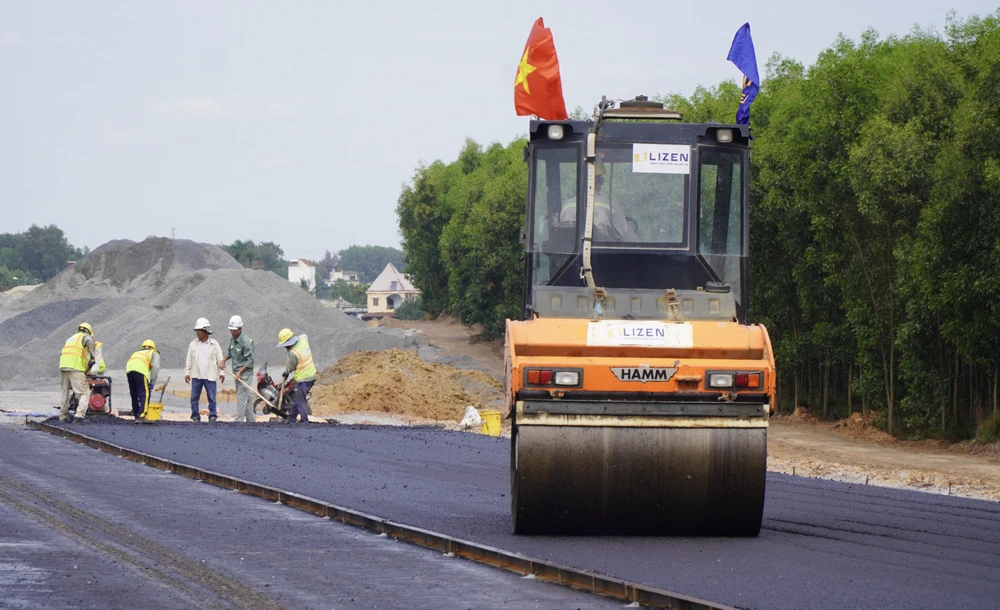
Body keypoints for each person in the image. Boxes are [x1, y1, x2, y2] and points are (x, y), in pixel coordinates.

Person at [559, 158, 637, 241]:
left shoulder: (567, 205)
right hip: (601, 253)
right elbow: (629, 238)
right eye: (601, 179)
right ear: (600, 181)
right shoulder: (611, 207)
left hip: (573, 253)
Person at [184, 317, 225, 422]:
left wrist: (222, 372)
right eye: (197, 331)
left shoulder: (214, 344)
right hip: (196, 375)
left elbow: (220, 359)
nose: (198, 333)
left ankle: (212, 415)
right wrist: (187, 372)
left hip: (210, 375)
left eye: (200, 331)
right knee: (194, 398)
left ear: (206, 331)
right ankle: (195, 416)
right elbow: (189, 359)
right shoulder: (193, 344)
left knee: (211, 397)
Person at [59, 322, 97, 422]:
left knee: (65, 392)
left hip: (63, 367)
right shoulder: (86, 337)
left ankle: (63, 417)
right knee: (84, 392)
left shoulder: (71, 338)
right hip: (75, 368)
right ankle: (79, 416)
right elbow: (93, 358)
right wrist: (90, 365)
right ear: (89, 331)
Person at [276, 328, 316, 423]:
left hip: (303, 379)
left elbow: (290, 367)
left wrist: (286, 373)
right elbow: (304, 335)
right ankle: (291, 418)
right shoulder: (303, 339)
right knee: (298, 398)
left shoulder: (293, 353)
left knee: (301, 401)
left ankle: (304, 422)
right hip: (312, 375)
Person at [221, 315, 255, 423]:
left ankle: (238, 421)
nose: (232, 332)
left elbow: (250, 360)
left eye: (235, 330)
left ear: (240, 329)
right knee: (247, 398)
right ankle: (251, 422)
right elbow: (230, 352)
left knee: (241, 398)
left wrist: (240, 371)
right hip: (236, 373)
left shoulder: (245, 341)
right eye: (231, 330)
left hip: (245, 373)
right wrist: (223, 360)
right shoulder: (233, 339)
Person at [125, 340, 160, 421]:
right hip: (140, 371)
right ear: (153, 347)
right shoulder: (153, 353)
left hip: (129, 371)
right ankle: (142, 415)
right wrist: (152, 383)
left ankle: (136, 414)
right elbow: (155, 367)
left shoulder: (137, 353)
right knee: (144, 394)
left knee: (134, 394)